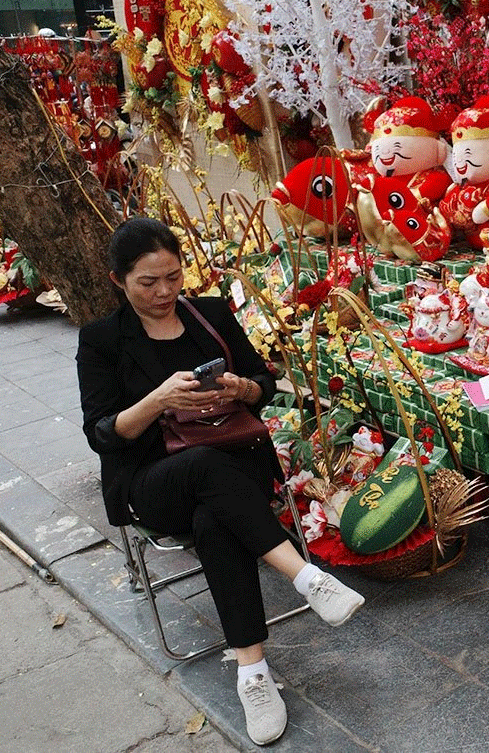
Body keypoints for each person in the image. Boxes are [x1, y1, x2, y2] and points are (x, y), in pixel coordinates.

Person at [76, 217, 364, 746]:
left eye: (173, 276)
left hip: (233, 460)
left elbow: (265, 383)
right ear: (118, 280)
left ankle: (252, 674)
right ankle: (307, 578)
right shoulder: (101, 341)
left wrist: (238, 388)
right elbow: (102, 433)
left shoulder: (208, 314)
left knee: (216, 516)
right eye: (147, 282)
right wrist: (158, 400)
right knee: (206, 475)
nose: (164, 292)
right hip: (153, 479)